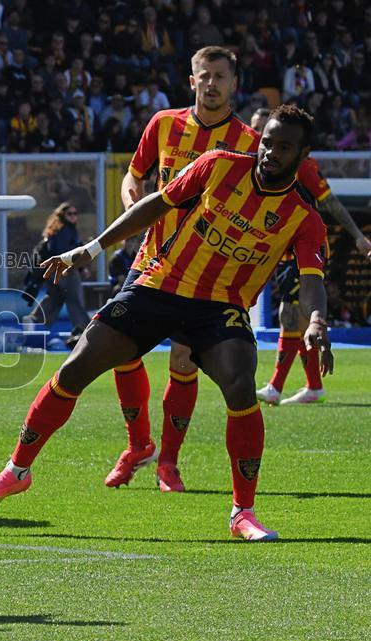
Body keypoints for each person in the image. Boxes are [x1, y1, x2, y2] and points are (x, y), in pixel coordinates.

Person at [0, 105, 333, 542]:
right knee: (76, 366)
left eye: (283, 147)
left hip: (220, 306)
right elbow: (156, 203)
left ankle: (242, 513)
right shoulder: (218, 165)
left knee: (240, 382)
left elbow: (312, 280)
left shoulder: (303, 217)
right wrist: (91, 248)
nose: (270, 152)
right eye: (267, 142)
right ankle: (16, 471)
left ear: (303, 155)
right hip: (160, 284)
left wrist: (316, 319)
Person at [105, 46, 260, 494]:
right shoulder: (163, 123)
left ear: (234, 83)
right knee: (118, 348)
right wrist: (132, 201)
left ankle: (168, 463)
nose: (211, 84)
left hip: (204, 272)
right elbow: (134, 174)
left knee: (182, 360)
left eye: (220, 76)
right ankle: (139, 445)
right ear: (192, 81)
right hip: (152, 257)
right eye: (204, 76)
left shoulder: (250, 143)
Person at [250, 108, 371, 406]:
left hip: (302, 251)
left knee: (289, 315)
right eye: (259, 132)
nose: (257, 137)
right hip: (281, 252)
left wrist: (357, 235)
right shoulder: (253, 165)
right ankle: (314, 386)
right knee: (300, 323)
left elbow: (330, 202)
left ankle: (276, 387)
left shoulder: (302, 167)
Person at [22, 203, 91, 335]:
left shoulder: (60, 230)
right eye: (70, 214)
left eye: (75, 214)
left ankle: (35, 319)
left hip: (56, 271)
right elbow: (65, 252)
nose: (73, 216)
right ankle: (82, 328)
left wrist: (81, 268)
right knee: (75, 299)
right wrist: (78, 267)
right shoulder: (65, 230)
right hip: (66, 270)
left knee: (55, 297)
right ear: (62, 216)